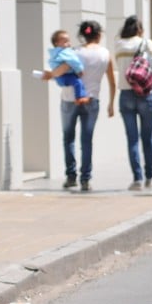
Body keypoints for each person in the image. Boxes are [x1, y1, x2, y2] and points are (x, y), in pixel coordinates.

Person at [43, 21, 116, 191]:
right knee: (87, 140)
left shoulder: (73, 51)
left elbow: (63, 68)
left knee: (68, 138)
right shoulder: (105, 54)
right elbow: (112, 82)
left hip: (69, 99)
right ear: (99, 35)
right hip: (92, 101)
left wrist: (50, 75)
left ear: (83, 35)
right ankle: (85, 179)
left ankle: (70, 176)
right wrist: (111, 103)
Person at [115, 15, 152, 191]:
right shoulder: (147, 43)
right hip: (146, 94)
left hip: (126, 94)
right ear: (140, 29)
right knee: (147, 138)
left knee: (132, 139)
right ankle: (150, 176)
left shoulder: (118, 44)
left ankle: (137, 179)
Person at [47, 30, 90, 105]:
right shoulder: (64, 52)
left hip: (59, 78)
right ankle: (79, 97)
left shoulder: (54, 53)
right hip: (66, 76)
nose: (69, 44)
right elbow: (73, 61)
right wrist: (79, 70)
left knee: (77, 82)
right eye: (65, 42)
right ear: (57, 43)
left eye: (69, 41)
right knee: (78, 83)